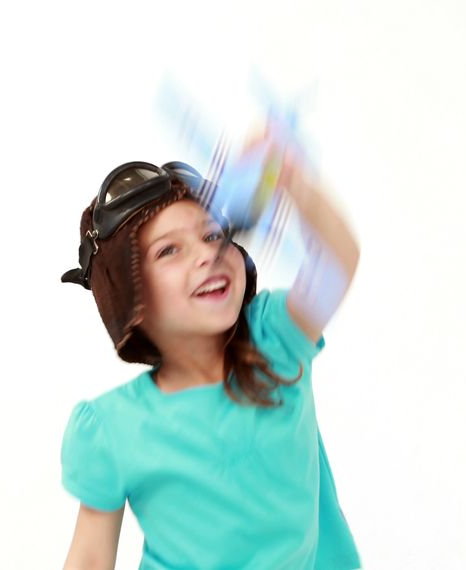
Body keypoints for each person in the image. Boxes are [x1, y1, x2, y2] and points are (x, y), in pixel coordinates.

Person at [58, 143, 362, 569]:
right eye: (169, 250)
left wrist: (287, 174)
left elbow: (335, 263)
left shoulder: (274, 342)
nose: (207, 254)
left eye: (213, 235)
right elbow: (90, 558)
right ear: (130, 296)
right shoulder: (112, 428)